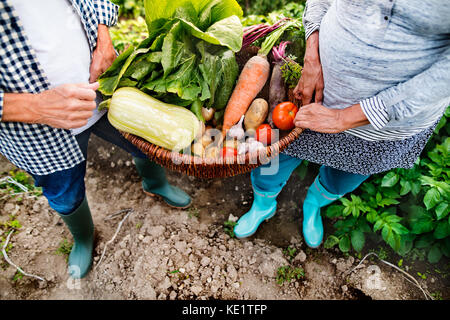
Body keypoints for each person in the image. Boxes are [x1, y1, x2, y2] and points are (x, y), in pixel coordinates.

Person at [233, 0, 450, 248]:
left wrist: (342, 118)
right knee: (273, 158)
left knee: (343, 178)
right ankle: (263, 204)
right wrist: (312, 56)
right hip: (311, 96)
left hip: (384, 126)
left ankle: (313, 204)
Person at [0, 0, 192, 279]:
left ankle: (155, 184)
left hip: (106, 86)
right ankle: (84, 238)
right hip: (34, 129)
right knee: (64, 192)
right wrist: (35, 107)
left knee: (146, 141)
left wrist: (103, 38)